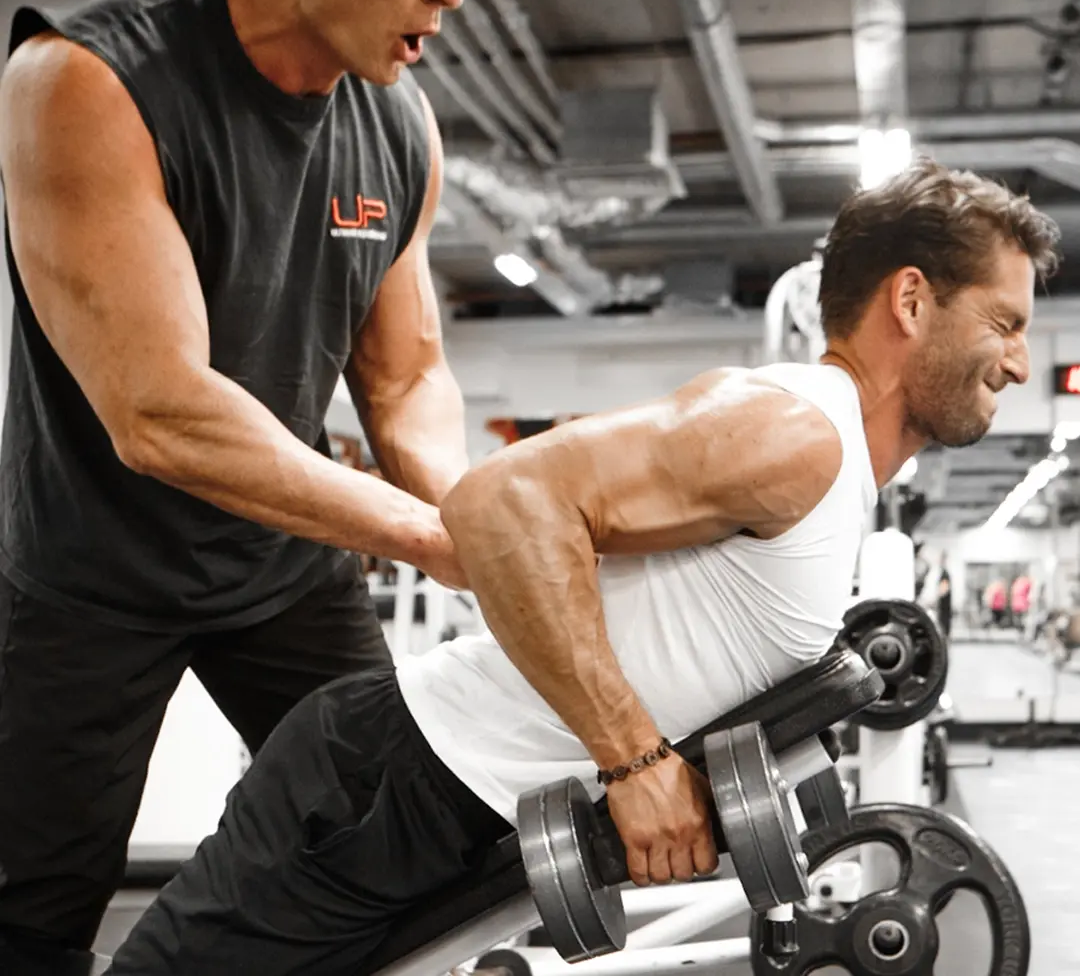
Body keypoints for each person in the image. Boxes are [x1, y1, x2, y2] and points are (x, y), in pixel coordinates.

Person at [99, 159, 1059, 976]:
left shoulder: (841, 469)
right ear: (910, 299)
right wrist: (635, 760)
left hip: (458, 810)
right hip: (387, 790)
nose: (1019, 362)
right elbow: (500, 502)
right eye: (1005, 323)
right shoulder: (796, 430)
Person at [0, 0, 473, 964]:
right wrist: (435, 540)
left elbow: (407, 384)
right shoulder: (85, 80)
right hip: (86, 576)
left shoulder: (400, 128)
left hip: (281, 571)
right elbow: (159, 410)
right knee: (29, 920)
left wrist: (486, 521)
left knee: (407, 839)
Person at [937, 559, 953, 639]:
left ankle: (945, 638)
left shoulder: (944, 574)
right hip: (944, 605)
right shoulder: (944, 574)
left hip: (944, 605)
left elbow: (944, 589)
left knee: (944, 622)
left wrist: (938, 596)